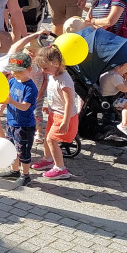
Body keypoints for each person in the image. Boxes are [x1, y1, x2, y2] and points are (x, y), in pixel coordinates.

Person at [0, 51, 40, 188]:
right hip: (11, 122)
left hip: (24, 125)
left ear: (29, 70)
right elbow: (6, 96)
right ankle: (14, 171)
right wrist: (2, 103)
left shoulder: (30, 88)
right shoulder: (12, 81)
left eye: (19, 71)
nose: (15, 74)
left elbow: (25, 107)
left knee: (23, 151)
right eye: (13, 71)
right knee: (11, 148)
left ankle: (25, 175)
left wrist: (11, 101)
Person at [32, 45, 75, 180]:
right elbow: (56, 96)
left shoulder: (64, 81)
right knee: (47, 138)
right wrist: (49, 107)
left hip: (63, 116)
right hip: (54, 112)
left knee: (51, 140)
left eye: (45, 68)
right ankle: (48, 158)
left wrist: (65, 121)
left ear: (56, 64)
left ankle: (60, 168)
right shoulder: (53, 74)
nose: (43, 71)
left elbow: (69, 102)